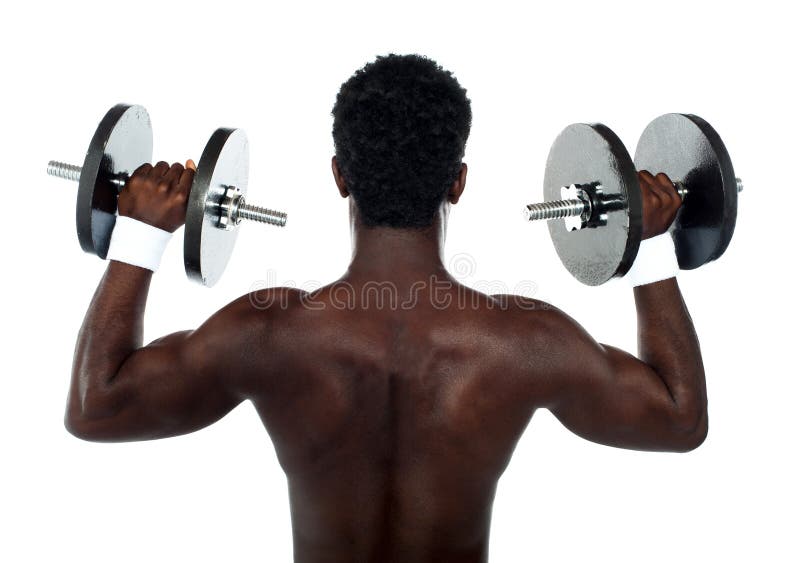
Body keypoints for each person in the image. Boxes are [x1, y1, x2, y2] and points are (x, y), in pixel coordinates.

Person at [65, 54, 705, 563]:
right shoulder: (525, 340)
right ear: (458, 181)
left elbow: (97, 408)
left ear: (340, 176)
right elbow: (679, 421)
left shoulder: (267, 332)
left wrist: (140, 234)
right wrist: (647, 245)